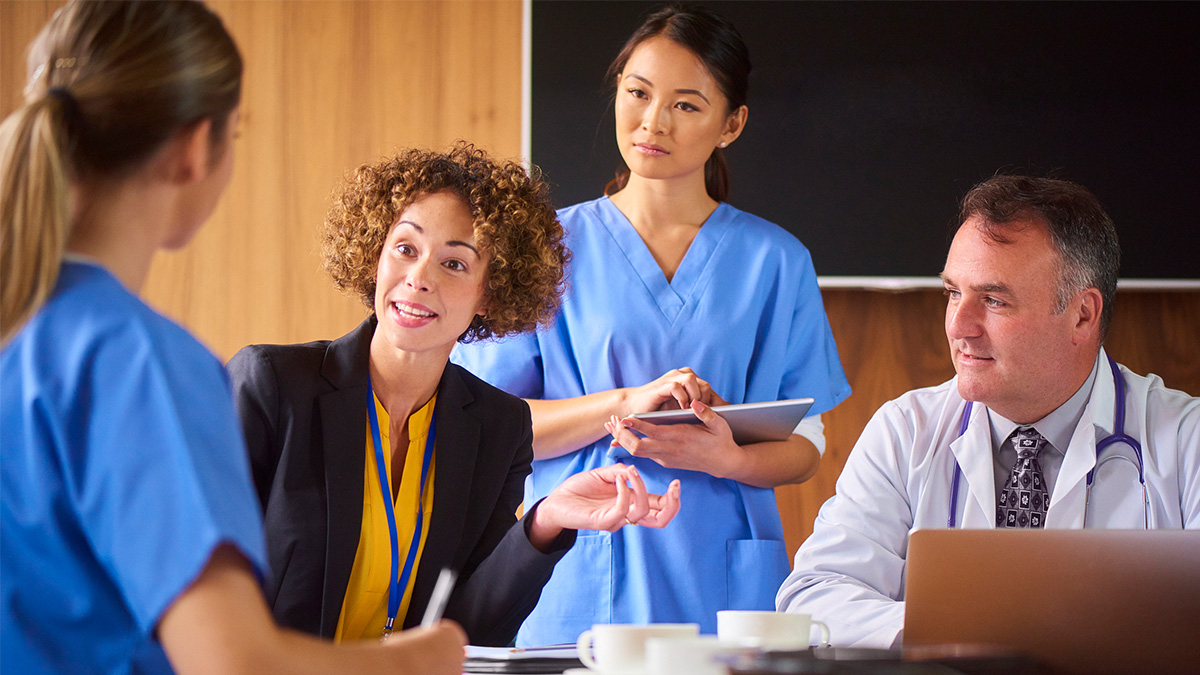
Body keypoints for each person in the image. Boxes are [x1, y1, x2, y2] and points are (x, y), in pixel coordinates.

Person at [0, 2, 467, 674]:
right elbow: (235, 663)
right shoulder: (138, 363)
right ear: (195, 147)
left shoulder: (29, 330)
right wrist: (413, 663)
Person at [452, 4, 850, 644]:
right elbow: (491, 428)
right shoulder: (544, 248)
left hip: (723, 583)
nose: (652, 121)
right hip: (580, 567)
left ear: (732, 124)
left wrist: (726, 459)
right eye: (637, 93)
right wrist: (627, 402)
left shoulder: (775, 261)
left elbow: (806, 447)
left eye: (687, 105)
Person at [226, 143, 682, 647]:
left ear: (491, 293)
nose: (419, 278)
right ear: (374, 254)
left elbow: (470, 631)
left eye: (455, 264)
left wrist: (545, 520)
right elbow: (193, 584)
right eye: (405, 249)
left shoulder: (499, 427)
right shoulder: (272, 385)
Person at [777, 174, 1200, 648]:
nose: (958, 326)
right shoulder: (906, 430)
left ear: (1082, 314)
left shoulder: (1188, 439)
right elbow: (815, 594)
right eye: (954, 293)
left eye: (994, 300)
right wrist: (960, 637)